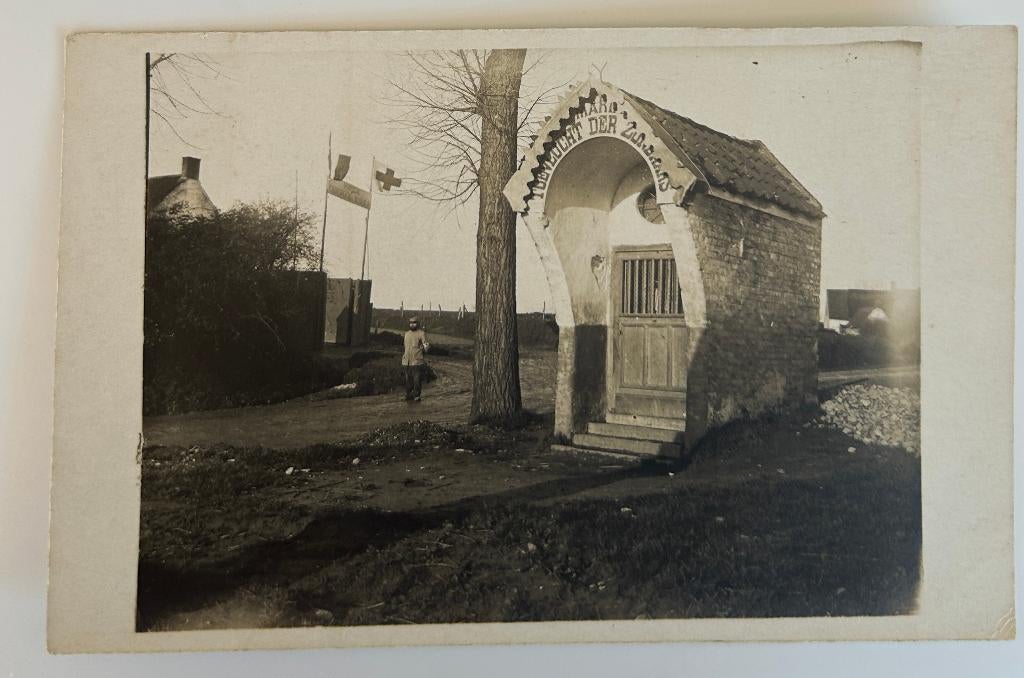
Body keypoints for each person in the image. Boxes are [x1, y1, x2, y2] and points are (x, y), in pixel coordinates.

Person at [401, 316, 430, 401]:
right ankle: (408, 394)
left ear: (417, 324)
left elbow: (426, 346)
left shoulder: (421, 333)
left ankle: (416, 395)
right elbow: (405, 346)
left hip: (417, 361)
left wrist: (425, 349)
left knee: (416, 379)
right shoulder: (406, 334)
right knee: (408, 379)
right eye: (411, 323)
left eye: (414, 323)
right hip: (406, 361)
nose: (412, 324)